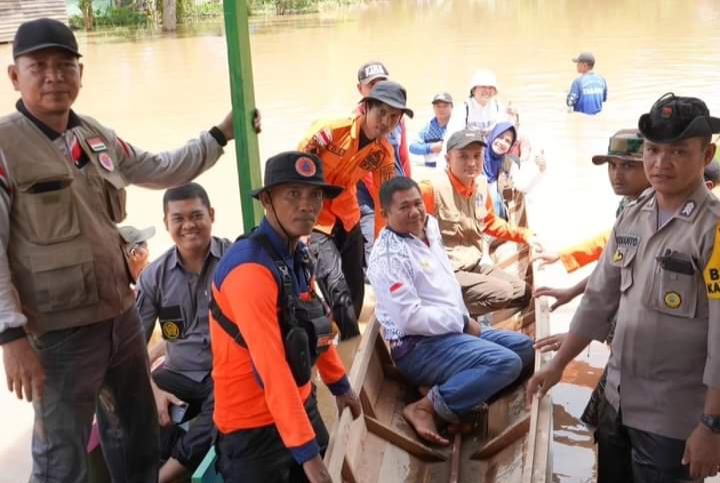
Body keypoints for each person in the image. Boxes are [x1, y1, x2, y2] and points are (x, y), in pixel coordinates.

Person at [0, 18, 259, 483]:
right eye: (39, 66)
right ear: (15, 76)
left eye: (65, 65)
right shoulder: (4, 146)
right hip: (58, 333)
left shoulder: (93, 136)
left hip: (120, 318)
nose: (54, 76)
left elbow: (159, 167)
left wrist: (220, 135)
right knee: (60, 457)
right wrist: (10, 336)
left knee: (136, 434)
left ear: (80, 73)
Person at [528, 93, 720, 482]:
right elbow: (598, 300)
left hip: (674, 420)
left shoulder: (714, 231)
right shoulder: (633, 214)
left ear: (706, 154)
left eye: (679, 152)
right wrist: (558, 364)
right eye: (653, 150)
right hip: (617, 402)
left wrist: (712, 426)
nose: (660, 163)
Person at [209, 151, 361, 483]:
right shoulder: (249, 269)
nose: (306, 205)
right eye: (292, 194)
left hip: (299, 406)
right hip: (253, 430)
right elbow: (271, 367)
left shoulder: (296, 253)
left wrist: (340, 385)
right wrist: (308, 457)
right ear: (267, 200)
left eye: (315, 195)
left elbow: (317, 325)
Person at [367, 176, 534, 446]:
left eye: (418, 203)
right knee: (506, 362)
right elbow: (409, 320)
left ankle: (449, 395)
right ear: (384, 214)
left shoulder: (428, 226)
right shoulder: (388, 257)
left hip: (451, 332)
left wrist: (462, 321)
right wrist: (461, 323)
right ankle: (426, 408)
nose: (415, 212)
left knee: (526, 349)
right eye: (404, 207)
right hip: (417, 346)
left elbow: (444, 282)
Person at [298, 80, 413, 339]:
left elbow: (384, 202)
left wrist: (387, 245)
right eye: (381, 112)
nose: (385, 121)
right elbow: (295, 169)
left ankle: (348, 343)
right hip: (315, 217)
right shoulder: (330, 131)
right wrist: (296, 229)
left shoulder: (383, 152)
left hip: (347, 215)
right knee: (336, 287)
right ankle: (349, 346)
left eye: (393, 117)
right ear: (366, 108)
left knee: (356, 290)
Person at [135, 183, 230, 483]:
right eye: (178, 218)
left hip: (228, 372)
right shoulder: (153, 277)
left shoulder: (236, 258)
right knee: (131, 400)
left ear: (211, 215)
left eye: (196, 215)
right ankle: (190, 452)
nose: (188, 225)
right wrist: (154, 390)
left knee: (227, 408)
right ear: (166, 224)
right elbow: (134, 346)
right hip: (180, 374)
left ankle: (164, 475)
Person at [419, 129, 535, 317]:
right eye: (463, 157)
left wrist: (524, 235)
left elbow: (489, 222)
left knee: (524, 292)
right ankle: (451, 314)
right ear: (448, 159)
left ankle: (463, 308)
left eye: (477, 156)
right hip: (446, 273)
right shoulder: (430, 189)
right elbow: (406, 235)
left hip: (473, 264)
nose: (472, 163)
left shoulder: (480, 183)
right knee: (503, 293)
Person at [533, 129, 650, 312]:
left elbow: (614, 270)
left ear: (651, 166)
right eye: (612, 165)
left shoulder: (652, 212)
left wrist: (572, 291)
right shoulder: (629, 203)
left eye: (628, 166)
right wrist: (563, 256)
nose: (616, 176)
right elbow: (612, 242)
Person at [354, 62, 412, 268]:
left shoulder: (397, 118)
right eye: (372, 85)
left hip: (391, 185)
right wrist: (391, 202)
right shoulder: (356, 123)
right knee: (376, 243)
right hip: (368, 196)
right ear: (361, 90)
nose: (379, 89)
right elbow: (365, 173)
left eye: (382, 83)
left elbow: (403, 156)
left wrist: (408, 190)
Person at [483, 121, 544, 224]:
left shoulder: (506, 163)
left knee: (515, 196)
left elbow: (522, 191)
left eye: (507, 141)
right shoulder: (476, 156)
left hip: (496, 222)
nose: (502, 142)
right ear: (493, 135)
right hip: (472, 218)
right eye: (500, 136)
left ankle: (517, 235)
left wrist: (541, 171)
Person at [442, 69, 508, 161]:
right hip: (469, 156)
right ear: (473, 90)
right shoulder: (463, 109)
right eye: (483, 87)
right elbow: (451, 139)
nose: (487, 91)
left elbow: (506, 134)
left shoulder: (499, 107)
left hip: (492, 155)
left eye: (490, 88)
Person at [409, 92, 453, 168]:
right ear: (433, 108)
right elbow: (412, 147)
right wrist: (431, 148)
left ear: (452, 107)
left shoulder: (457, 125)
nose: (441, 109)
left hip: (452, 170)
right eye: (438, 106)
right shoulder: (426, 128)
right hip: (431, 171)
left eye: (445, 106)